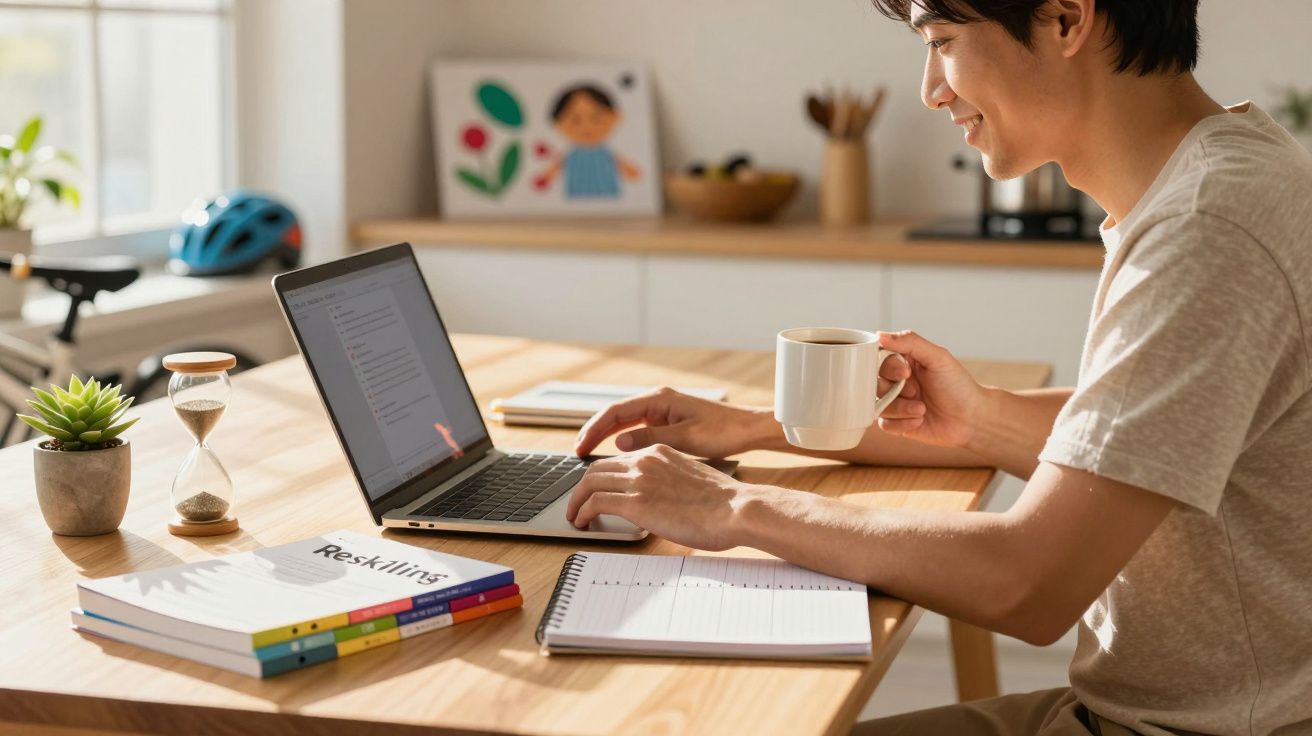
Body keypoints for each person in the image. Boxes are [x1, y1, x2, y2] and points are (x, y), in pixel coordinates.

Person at [567, 0, 1312, 733]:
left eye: (945, 40)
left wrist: (730, 509)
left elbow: (1028, 582)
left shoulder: (1206, 226)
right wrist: (765, 427)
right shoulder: (1221, 176)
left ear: (1066, 19)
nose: (931, 88)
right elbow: (1149, 437)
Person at [534, 84, 641, 198]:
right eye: (575, 121)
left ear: (615, 117)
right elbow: (554, 168)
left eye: (596, 119)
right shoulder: (570, 156)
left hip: (608, 198)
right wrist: (546, 176)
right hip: (576, 200)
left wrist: (633, 173)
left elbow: (627, 169)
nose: (587, 127)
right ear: (558, 124)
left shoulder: (607, 154)